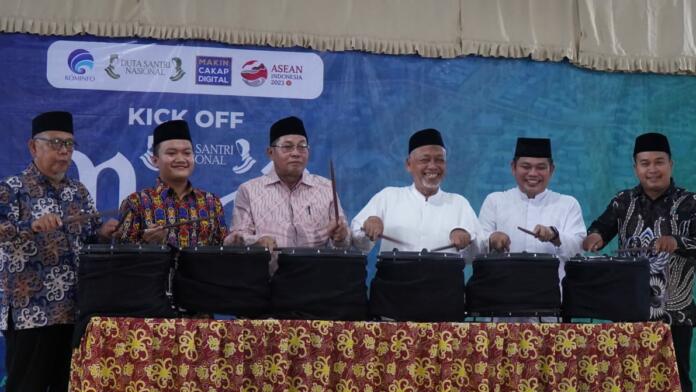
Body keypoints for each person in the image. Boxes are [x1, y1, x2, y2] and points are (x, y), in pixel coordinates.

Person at [0, 111, 118, 392]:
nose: (64, 151)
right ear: (32, 147)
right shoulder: (12, 189)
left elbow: (90, 239)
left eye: (68, 144)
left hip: (74, 314)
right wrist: (30, 226)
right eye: (55, 144)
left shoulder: (78, 192)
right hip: (31, 315)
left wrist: (105, 233)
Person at [583, 132, 696, 392]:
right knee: (627, 383)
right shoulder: (623, 201)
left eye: (659, 162)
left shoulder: (690, 202)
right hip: (629, 311)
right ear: (635, 167)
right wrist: (594, 237)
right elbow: (600, 227)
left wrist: (679, 241)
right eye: (645, 163)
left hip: (675, 312)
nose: (652, 169)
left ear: (671, 164)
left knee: (677, 384)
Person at [351, 128, 480, 255]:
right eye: (425, 160)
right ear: (408, 164)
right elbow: (358, 246)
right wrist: (368, 227)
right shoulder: (388, 196)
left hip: (443, 276)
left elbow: (477, 253)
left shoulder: (459, 203)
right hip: (394, 275)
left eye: (439, 160)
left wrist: (467, 241)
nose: (433, 166)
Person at [227, 116, 349, 250]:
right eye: (287, 147)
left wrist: (342, 236)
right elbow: (235, 238)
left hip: (315, 267)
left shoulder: (326, 188)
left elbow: (344, 242)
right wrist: (258, 241)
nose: (296, 153)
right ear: (270, 153)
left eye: (302, 146)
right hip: (269, 266)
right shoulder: (249, 190)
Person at [478, 137, 586, 272]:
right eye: (526, 167)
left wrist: (554, 235)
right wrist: (492, 239)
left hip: (552, 289)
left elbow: (579, 249)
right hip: (504, 288)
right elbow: (477, 248)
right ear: (513, 167)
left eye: (541, 167)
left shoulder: (568, 204)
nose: (533, 174)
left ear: (551, 170)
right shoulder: (495, 201)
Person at [118, 119, 227, 247]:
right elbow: (123, 257)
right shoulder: (136, 202)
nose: (181, 159)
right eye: (171, 153)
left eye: (187, 153)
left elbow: (222, 253)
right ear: (155, 160)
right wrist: (148, 243)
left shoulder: (212, 202)